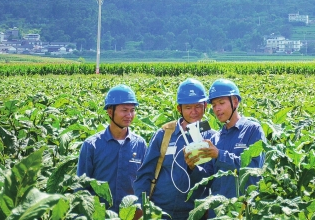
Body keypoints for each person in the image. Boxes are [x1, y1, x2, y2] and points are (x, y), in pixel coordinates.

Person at [133, 78, 216, 220]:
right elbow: (145, 174)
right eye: (188, 108)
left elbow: (212, 178)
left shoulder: (212, 137)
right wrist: (141, 206)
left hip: (195, 214)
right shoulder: (165, 134)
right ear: (179, 109)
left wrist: (193, 169)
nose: (194, 112)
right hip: (160, 212)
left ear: (205, 106)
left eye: (198, 106)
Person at [187, 79, 265, 200]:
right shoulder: (216, 138)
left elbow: (254, 170)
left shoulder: (253, 130)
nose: (217, 109)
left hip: (243, 209)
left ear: (235, 102)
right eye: (214, 105)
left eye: (221, 103)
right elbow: (208, 178)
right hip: (218, 210)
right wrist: (193, 168)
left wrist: (220, 155)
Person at [77, 84, 147, 212]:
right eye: (124, 110)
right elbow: (81, 186)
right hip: (99, 214)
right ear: (110, 112)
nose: (129, 115)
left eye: (132, 110)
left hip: (130, 215)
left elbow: (144, 183)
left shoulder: (140, 144)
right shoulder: (92, 145)